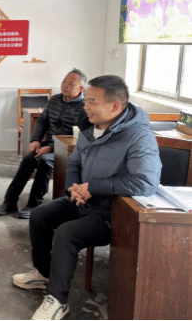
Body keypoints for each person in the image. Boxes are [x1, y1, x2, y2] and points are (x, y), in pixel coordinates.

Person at [12, 75, 161, 321]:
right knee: (39, 216)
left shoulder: (139, 136)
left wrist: (94, 187)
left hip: (111, 213)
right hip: (84, 200)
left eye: (92, 101)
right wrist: (73, 188)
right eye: (86, 100)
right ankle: (44, 274)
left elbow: (144, 183)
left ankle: (57, 300)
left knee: (66, 234)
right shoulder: (89, 127)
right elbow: (75, 163)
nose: (85, 107)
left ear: (115, 106)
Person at [0, 69, 89, 219]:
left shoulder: (85, 107)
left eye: (71, 83)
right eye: (64, 81)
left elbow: (81, 137)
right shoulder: (55, 100)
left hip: (69, 149)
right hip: (49, 144)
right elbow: (43, 121)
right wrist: (35, 140)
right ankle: (9, 202)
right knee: (27, 160)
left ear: (81, 88)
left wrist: (51, 148)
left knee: (45, 161)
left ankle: (34, 205)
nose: (65, 85)